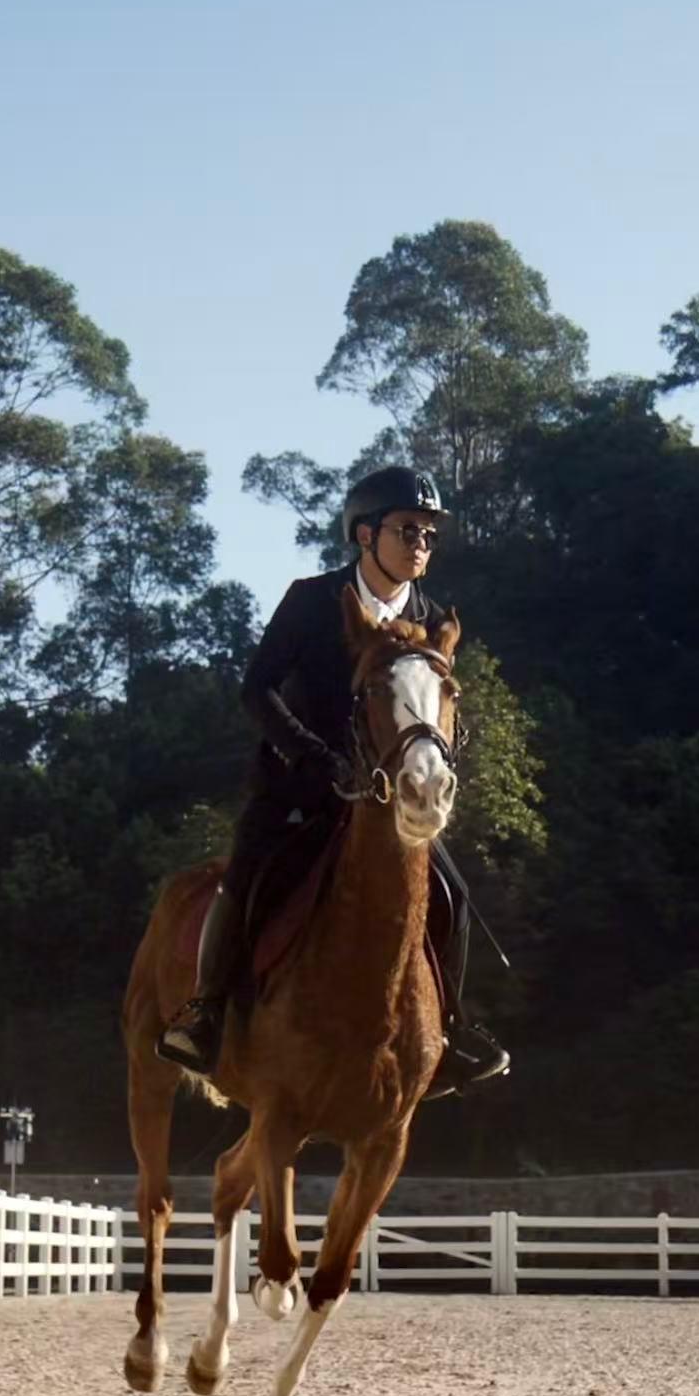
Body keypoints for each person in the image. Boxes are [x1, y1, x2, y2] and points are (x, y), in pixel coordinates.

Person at [156, 465, 510, 1097]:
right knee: (247, 876)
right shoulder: (310, 600)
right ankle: (205, 1012)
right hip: (300, 785)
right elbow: (257, 689)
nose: (421, 544)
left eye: (429, 534)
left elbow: (437, 709)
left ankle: (452, 1031)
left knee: (451, 894)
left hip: (384, 803)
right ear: (365, 534)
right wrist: (311, 755)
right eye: (408, 530)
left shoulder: (431, 618)